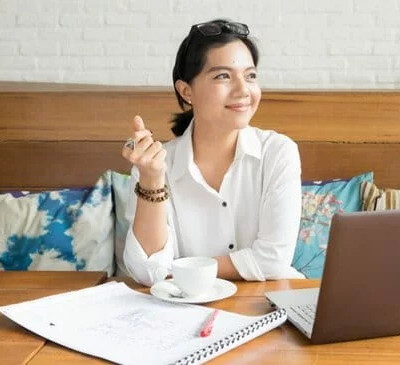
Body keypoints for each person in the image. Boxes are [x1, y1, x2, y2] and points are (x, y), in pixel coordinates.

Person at [121, 19, 303, 287]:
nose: (243, 90)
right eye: (223, 76)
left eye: (250, 75)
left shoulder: (277, 153)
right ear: (186, 91)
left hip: (268, 305)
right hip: (184, 312)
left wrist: (182, 270)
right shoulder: (155, 165)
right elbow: (149, 272)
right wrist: (151, 180)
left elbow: (273, 260)